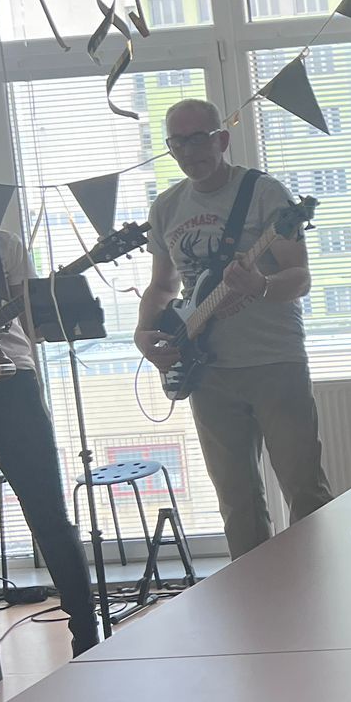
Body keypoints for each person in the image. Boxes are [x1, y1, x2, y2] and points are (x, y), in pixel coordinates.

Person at [136, 100, 331, 559]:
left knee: (305, 491)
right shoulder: (166, 207)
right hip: (206, 371)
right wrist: (143, 332)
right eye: (178, 142)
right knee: (236, 502)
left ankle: (321, 586)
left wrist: (261, 286)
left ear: (222, 139)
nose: (189, 151)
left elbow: (300, 276)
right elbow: (163, 286)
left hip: (274, 362)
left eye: (198, 138)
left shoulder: (264, 193)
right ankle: (255, 594)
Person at [0, 147, 98, 696]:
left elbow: (28, 319)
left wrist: (49, 305)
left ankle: (87, 635)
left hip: (12, 386)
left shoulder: (1, 246)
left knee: (48, 513)